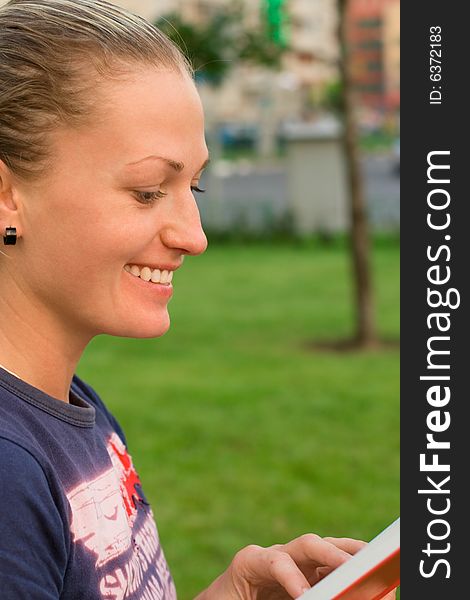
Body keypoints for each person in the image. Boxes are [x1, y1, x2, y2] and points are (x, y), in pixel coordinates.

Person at [0, 1, 397, 598]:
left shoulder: (70, 409)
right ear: (7, 197)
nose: (195, 235)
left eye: (195, 185)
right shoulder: (9, 468)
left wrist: (232, 593)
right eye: (148, 190)